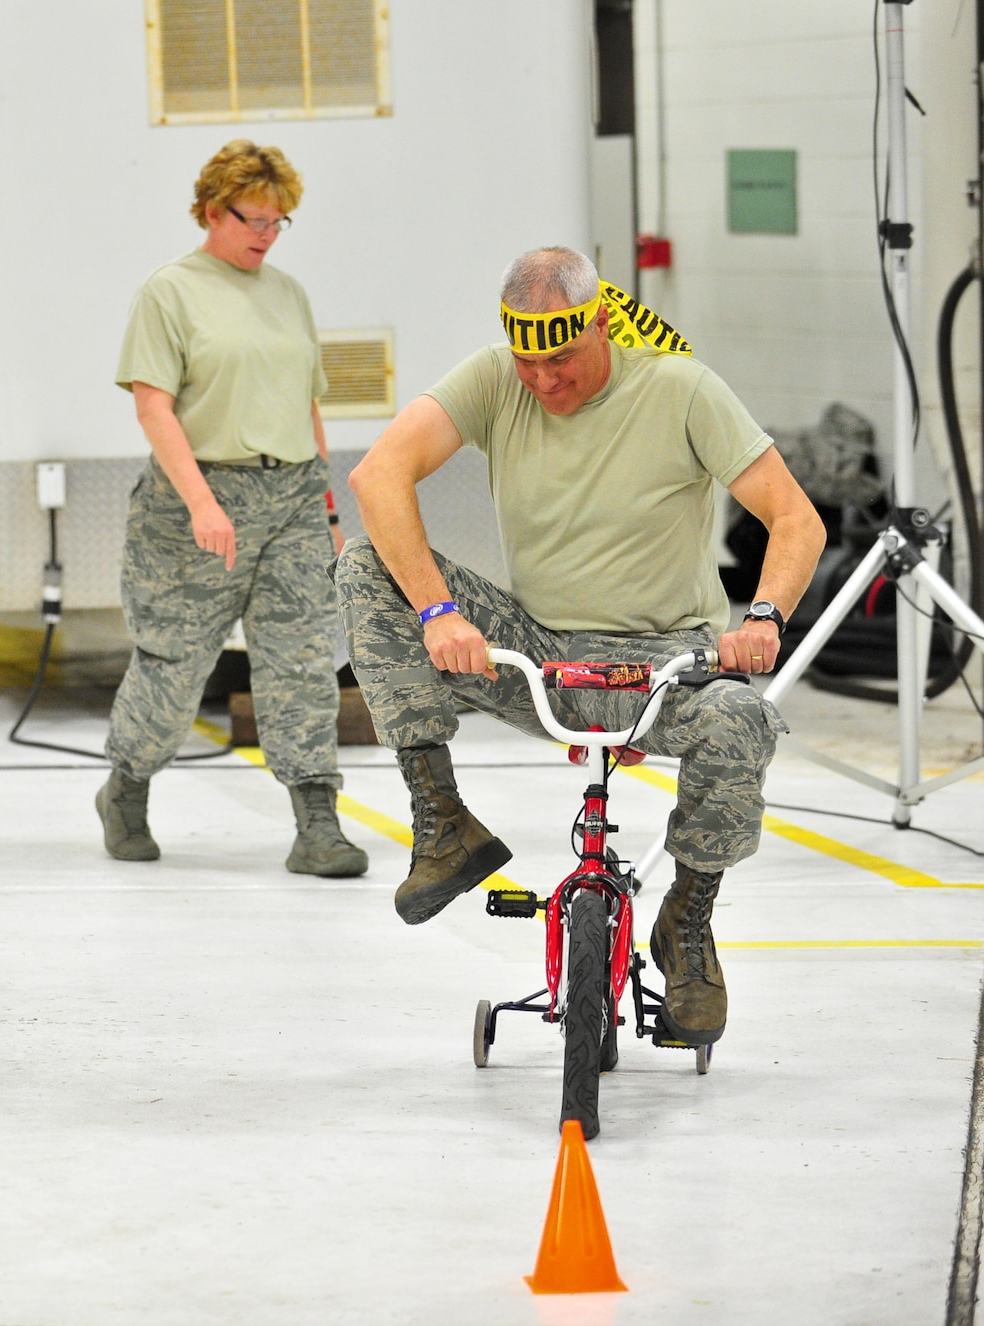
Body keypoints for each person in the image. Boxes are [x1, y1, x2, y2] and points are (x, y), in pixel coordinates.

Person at [336, 245, 826, 1049]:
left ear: (602, 322)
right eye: (528, 361)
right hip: (542, 656)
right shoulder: (497, 378)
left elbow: (795, 516)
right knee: (364, 564)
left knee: (741, 720)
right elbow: (378, 475)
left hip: (664, 666)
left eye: (561, 358)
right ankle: (442, 821)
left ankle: (688, 921)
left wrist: (764, 617)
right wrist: (438, 614)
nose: (543, 382)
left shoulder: (680, 389)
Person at [99, 139, 367, 879]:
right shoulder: (170, 291)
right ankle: (126, 789)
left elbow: (306, 403)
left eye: (280, 222)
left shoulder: (288, 294)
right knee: (175, 663)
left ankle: (317, 822)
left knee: (304, 661)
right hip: (199, 496)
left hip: (289, 499)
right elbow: (154, 408)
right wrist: (201, 504)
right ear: (213, 211)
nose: (266, 235)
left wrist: (329, 509)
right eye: (254, 219)